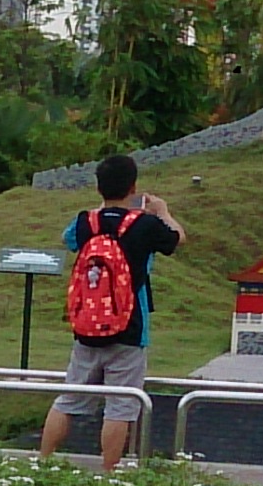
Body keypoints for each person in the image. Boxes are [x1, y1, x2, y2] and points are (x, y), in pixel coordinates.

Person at [51, 155, 184, 469]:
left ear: (98, 187)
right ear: (134, 187)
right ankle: (108, 473)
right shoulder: (146, 224)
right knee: (120, 407)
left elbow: (68, 240)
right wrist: (163, 211)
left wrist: (100, 211)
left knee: (67, 400)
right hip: (130, 327)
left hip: (86, 326)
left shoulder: (86, 221)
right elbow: (177, 240)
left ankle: (42, 461)